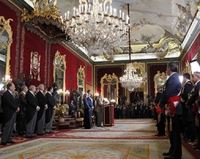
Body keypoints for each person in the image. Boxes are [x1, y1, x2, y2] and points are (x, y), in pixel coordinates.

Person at [159, 62, 182, 159]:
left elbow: (167, 93)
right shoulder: (173, 77)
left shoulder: (173, 78)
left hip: (174, 107)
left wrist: (161, 103)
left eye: (166, 68)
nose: (166, 70)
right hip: (171, 107)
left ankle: (176, 154)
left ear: (170, 68)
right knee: (171, 131)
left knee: (175, 132)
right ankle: (173, 150)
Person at [186, 71, 200, 149]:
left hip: (197, 107)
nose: (192, 78)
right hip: (194, 107)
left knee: (197, 126)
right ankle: (198, 142)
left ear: (198, 77)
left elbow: (194, 96)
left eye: (194, 76)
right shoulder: (196, 85)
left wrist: (188, 103)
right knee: (196, 126)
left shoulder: (198, 85)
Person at [179, 73, 193, 142]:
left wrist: (183, 99)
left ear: (184, 78)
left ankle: (189, 136)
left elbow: (186, 95)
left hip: (186, 105)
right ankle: (187, 135)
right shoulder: (186, 85)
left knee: (188, 120)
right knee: (186, 120)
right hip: (185, 105)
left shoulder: (188, 85)